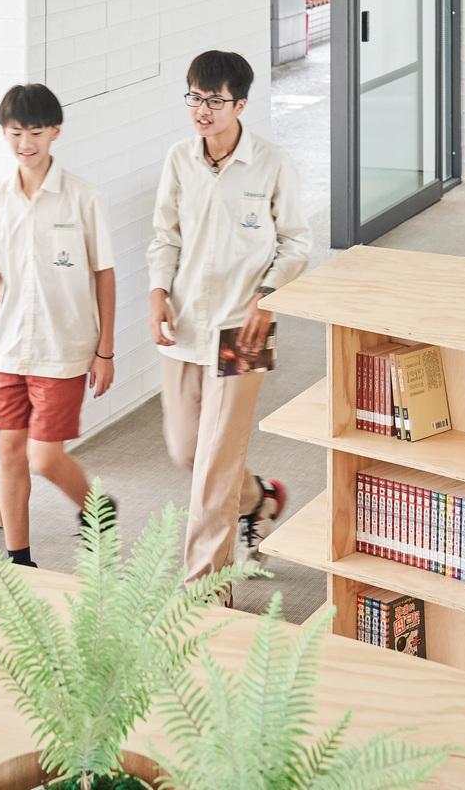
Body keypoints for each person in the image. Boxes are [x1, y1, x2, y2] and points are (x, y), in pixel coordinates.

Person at [148, 50, 311, 585]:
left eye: (215, 101)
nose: (202, 110)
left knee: (215, 463)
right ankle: (258, 499)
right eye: (195, 97)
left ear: (240, 105)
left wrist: (266, 297)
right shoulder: (179, 159)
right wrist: (157, 293)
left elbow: (296, 242)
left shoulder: (271, 163)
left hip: (244, 328)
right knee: (186, 450)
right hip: (184, 324)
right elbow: (165, 237)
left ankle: (204, 588)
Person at [0, 83, 117, 567]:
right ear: (3, 134)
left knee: (45, 457)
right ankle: (20, 558)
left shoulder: (82, 197)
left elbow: (104, 274)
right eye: (15, 133)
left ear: (55, 132)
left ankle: (98, 507)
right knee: (9, 451)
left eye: (35, 132)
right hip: (10, 350)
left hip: (63, 349)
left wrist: (105, 350)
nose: (25, 143)